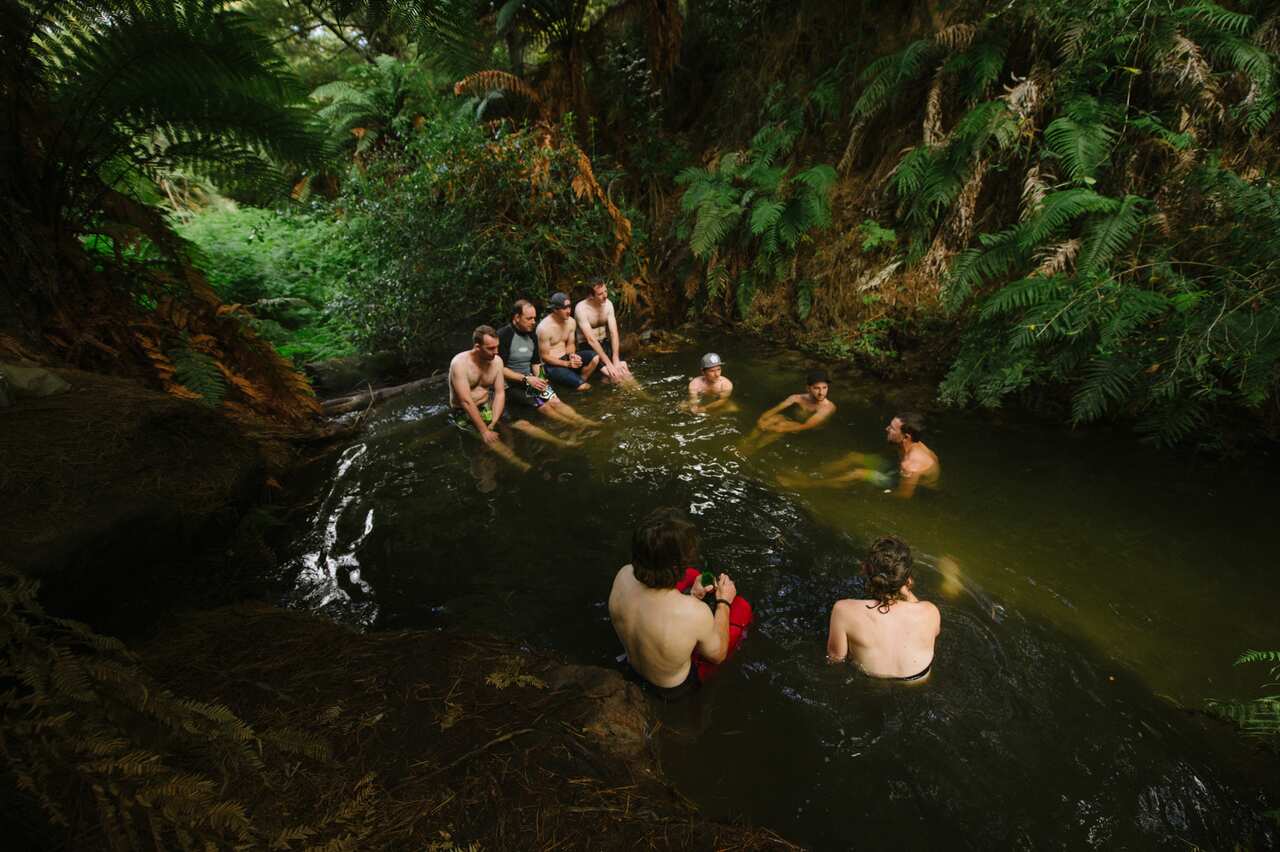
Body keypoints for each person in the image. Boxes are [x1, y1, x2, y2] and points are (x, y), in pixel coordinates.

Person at [608, 507, 753, 700]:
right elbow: (717, 655)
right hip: (672, 690)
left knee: (693, 578)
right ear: (680, 563)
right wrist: (723, 602)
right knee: (742, 609)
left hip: (633, 666)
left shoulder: (623, 575)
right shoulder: (695, 613)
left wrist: (691, 595)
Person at [826, 536, 939, 681]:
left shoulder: (843, 610)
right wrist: (905, 589)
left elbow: (835, 658)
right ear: (908, 579)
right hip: (919, 680)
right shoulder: (930, 611)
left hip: (870, 682)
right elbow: (932, 634)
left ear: (864, 569)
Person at [778, 412, 939, 498]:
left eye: (892, 428)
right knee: (853, 457)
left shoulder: (911, 464)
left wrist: (878, 495)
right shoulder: (908, 444)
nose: (886, 429)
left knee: (859, 474)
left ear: (906, 437)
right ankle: (810, 475)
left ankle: (808, 485)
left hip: (916, 488)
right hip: (899, 472)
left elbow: (904, 495)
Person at [497, 299, 600, 433]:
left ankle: (583, 421)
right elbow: (499, 369)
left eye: (534, 318)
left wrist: (541, 377)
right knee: (544, 407)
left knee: (555, 401)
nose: (534, 322)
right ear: (517, 318)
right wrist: (527, 379)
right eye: (529, 318)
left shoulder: (532, 335)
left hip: (531, 380)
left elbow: (535, 363)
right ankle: (574, 425)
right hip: (511, 384)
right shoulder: (504, 335)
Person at [448, 325, 530, 472]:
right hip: (464, 411)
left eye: (497, 347)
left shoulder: (497, 361)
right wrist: (485, 430)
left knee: (523, 424)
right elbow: (465, 401)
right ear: (477, 347)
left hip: (487, 404)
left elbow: (499, 393)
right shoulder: (459, 363)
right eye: (491, 348)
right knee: (492, 439)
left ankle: (560, 443)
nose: (496, 352)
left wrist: (494, 421)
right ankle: (522, 466)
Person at [738, 369, 836, 454]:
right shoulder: (796, 398)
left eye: (824, 388)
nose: (821, 392)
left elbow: (806, 426)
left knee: (782, 425)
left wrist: (780, 429)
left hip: (810, 430)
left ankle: (755, 449)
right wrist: (762, 419)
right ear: (808, 388)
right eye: (817, 388)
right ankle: (746, 442)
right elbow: (776, 409)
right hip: (795, 422)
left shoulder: (827, 407)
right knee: (775, 418)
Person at [574, 277, 633, 384]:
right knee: (616, 376)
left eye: (606, 291)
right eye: (600, 294)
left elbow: (614, 333)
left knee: (624, 371)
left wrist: (615, 357)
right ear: (591, 295)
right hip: (589, 348)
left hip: (605, 344)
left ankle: (645, 397)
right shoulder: (581, 309)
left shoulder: (608, 304)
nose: (605, 295)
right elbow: (591, 339)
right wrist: (608, 363)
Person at [537, 292, 596, 391]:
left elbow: (570, 344)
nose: (569, 311)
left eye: (569, 307)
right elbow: (545, 357)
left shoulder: (571, 322)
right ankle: (578, 384)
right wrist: (567, 364)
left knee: (595, 358)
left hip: (566, 358)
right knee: (585, 387)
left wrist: (572, 356)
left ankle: (579, 380)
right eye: (565, 308)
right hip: (551, 365)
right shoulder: (544, 328)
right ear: (555, 310)